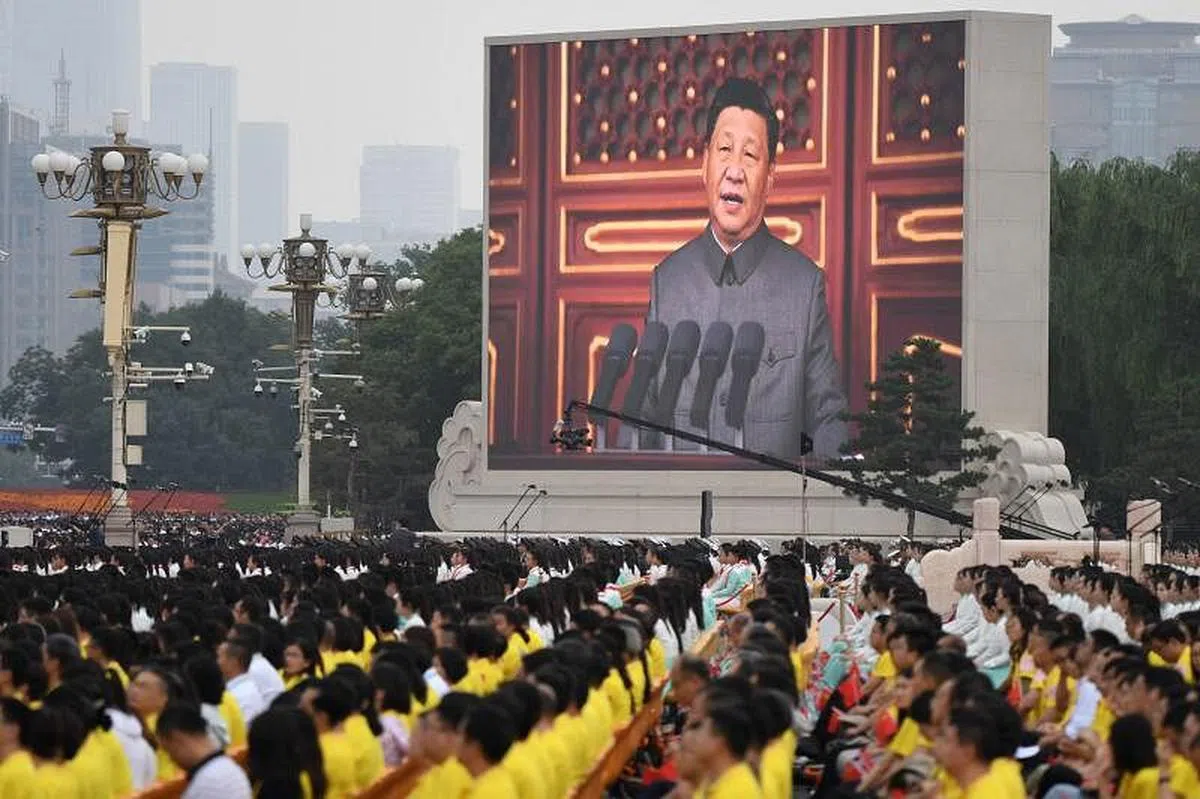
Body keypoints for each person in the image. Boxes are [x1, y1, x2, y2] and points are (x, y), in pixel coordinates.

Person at [636, 76, 847, 460]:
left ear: (770, 177)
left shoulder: (804, 286)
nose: (735, 170)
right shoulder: (668, 282)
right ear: (705, 164)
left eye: (750, 155)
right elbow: (644, 422)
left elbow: (828, 421)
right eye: (724, 150)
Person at [155, 702, 251, 799]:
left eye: (169, 751)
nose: (172, 759)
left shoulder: (205, 784)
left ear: (177, 738)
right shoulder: (232, 769)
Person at [217, 640, 265, 725]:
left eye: (219, 657)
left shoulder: (243, 696)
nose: (216, 662)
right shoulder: (239, 689)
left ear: (233, 662)